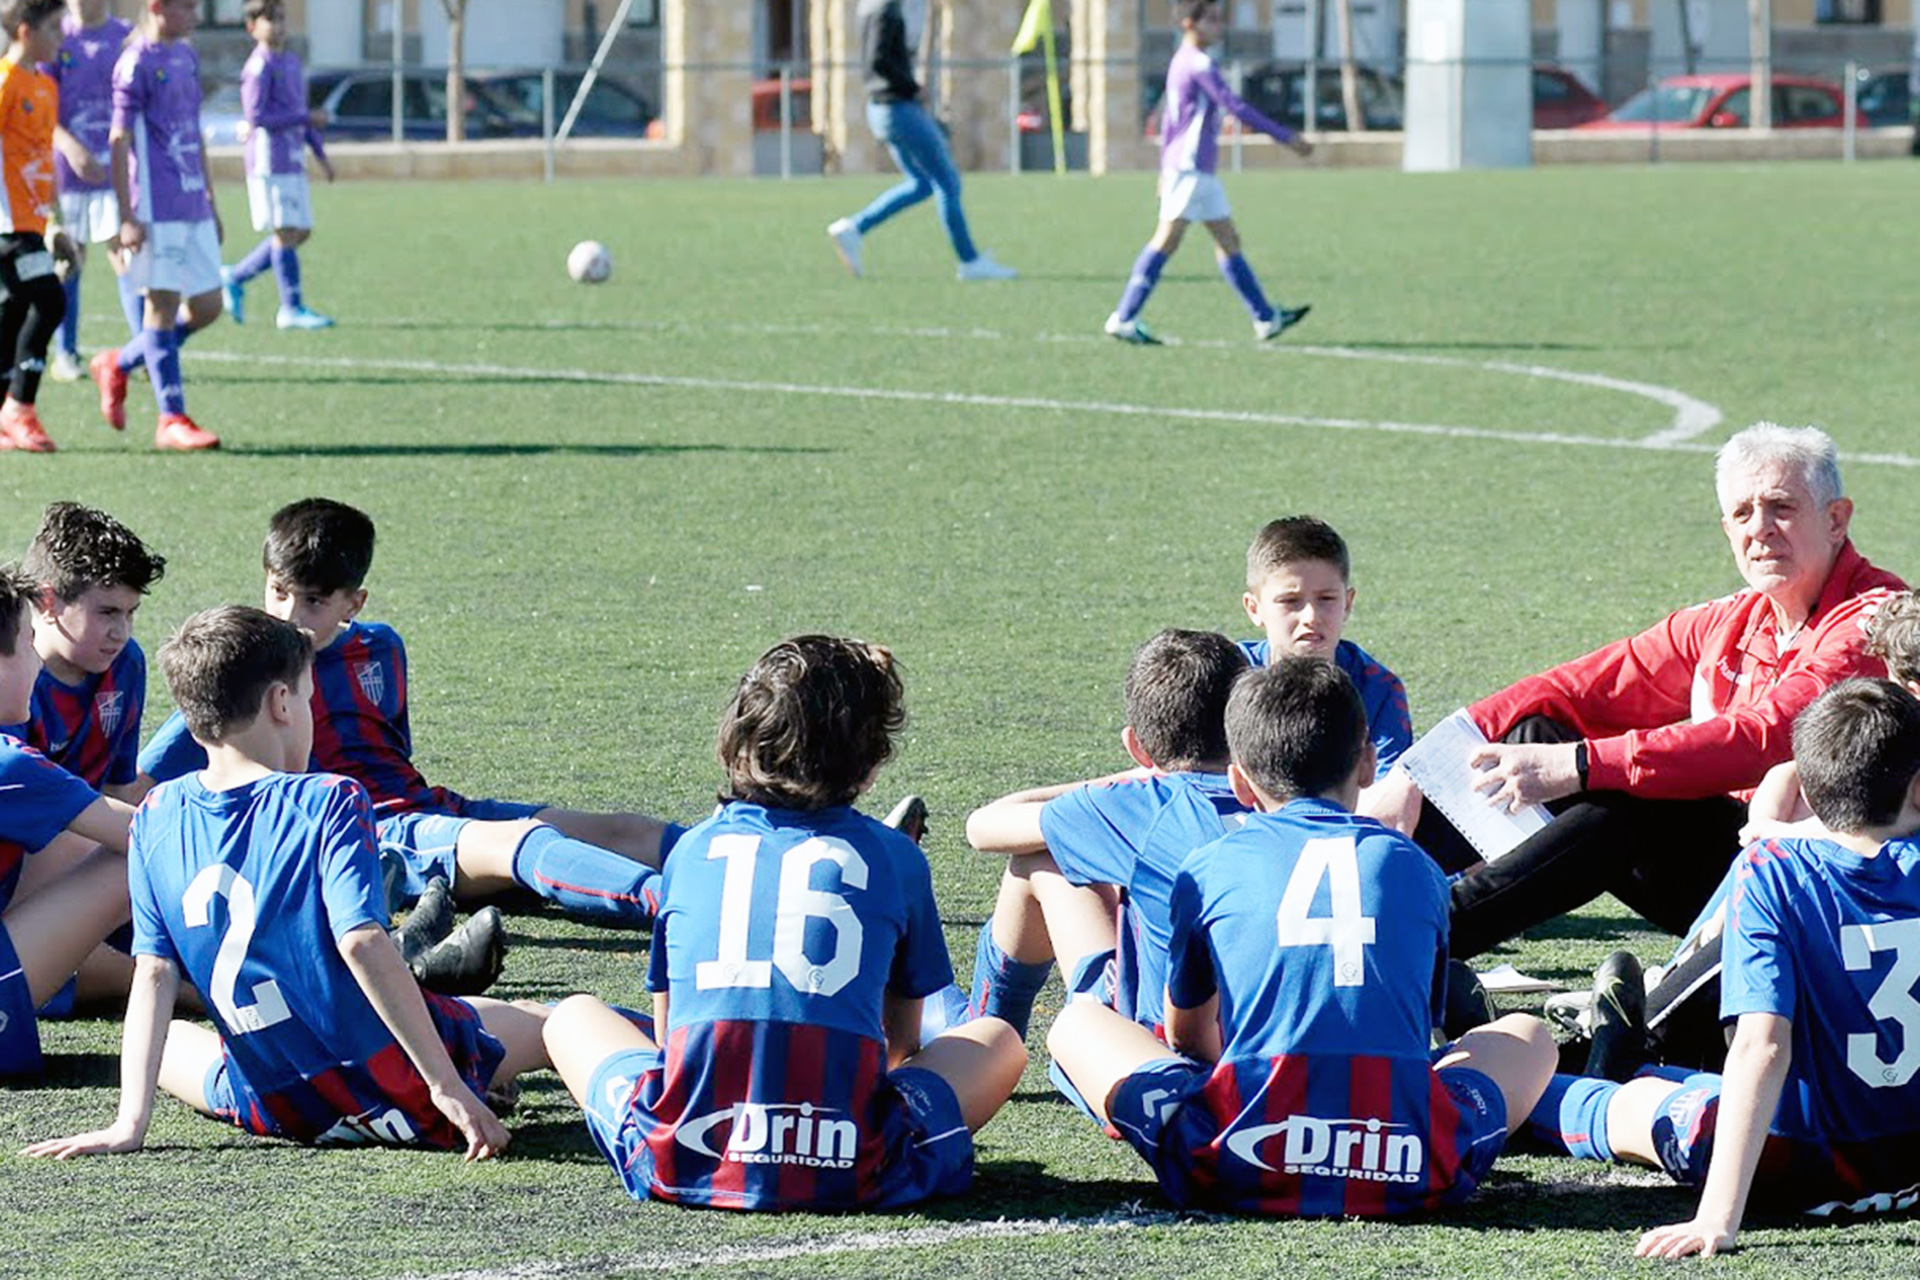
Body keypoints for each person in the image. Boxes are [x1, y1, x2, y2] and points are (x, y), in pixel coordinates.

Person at [20, 606, 549, 1158]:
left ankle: (417, 991)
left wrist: (128, 1125)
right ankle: (631, 1088)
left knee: (174, 1035)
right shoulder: (330, 799)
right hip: (391, 1082)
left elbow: (153, 974)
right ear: (280, 702)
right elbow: (360, 942)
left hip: (275, 1104)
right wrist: (446, 1085)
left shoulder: (155, 814)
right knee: (565, 1021)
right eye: (307, 699)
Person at [1363, 423, 1906, 959]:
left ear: (1836, 519)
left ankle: (1416, 946)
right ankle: (1351, 881)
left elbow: (1762, 737)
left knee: (1632, 805)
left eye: (1781, 507)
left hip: (1823, 885)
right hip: (1744, 861)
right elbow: (1573, 688)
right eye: (1742, 513)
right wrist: (1418, 771)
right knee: (1536, 731)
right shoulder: (1736, 618)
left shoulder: (1874, 619)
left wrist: (1579, 765)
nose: (1759, 529)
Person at [1048, 657, 1555, 1216]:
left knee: (1079, 1022)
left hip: (1234, 1161)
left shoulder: (1209, 866)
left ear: (1239, 781)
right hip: (1410, 1161)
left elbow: (1187, 1036)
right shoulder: (1417, 867)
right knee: (1530, 1034)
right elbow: (1418, 1035)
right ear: (1367, 764)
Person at [542, 634, 1026, 1210]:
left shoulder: (692, 851)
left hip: (684, 1155)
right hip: (852, 1161)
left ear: (738, 741)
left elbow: (669, 1042)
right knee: (998, 1039)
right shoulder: (897, 860)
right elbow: (896, 1048)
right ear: (871, 765)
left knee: (570, 1016)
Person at [138, 498, 682, 930]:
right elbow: (148, 782)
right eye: (278, 592)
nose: (290, 615)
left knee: (615, 828)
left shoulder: (382, 649)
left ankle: (730, 859)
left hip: (428, 809)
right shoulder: (244, 665)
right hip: (362, 832)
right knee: (527, 844)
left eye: (314, 601)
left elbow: (393, 754)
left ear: (355, 603)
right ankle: (678, 908)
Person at [1525, 679, 1920, 1258]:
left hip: (1803, 1163)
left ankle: (1510, 1075)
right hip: (1910, 1157)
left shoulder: (1775, 868)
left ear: (1809, 786)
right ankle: (1628, 1060)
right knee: (1698, 1084)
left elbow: (1762, 1048)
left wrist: (1716, 1217)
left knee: (1626, 1110)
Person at [954, 629, 1251, 1045]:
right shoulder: (1293, 796)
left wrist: (1126, 781)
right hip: (1291, 1051)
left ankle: (985, 1033)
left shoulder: (1143, 804)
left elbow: (984, 826)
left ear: (1137, 747)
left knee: (1040, 860)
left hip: (1164, 1062)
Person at [1103, 0, 1313, 345]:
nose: (1219, 26)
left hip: (1193, 169)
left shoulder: (1180, 62)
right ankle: (1123, 317)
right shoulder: (1199, 64)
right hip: (1190, 169)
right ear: (1190, 23)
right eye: (1212, 20)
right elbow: (1236, 106)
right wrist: (1286, 137)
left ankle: (1265, 317)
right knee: (1167, 240)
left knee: (1228, 240)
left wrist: (1163, 168)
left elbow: (1171, 121)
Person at [0, 561, 138, 1078]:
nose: (38, 662)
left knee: (65, 841)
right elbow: (149, 836)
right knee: (129, 861)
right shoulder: (10, 763)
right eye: (28, 642)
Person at [87, 0, 221, 451]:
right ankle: (171, 418)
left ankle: (120, 362)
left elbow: (194, 130)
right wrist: (128, 215)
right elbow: (119, 139)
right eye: (188, 6)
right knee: (161, 307)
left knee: (208, 305)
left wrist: (211, 200)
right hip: (155, 206)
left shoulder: (185, 55)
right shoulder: (134, 63)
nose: (196, 16)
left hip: (192, 202)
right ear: (158, 7)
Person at [825, 0, 1016, 282]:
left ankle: (854, 228)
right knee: (947, 182)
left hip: (882, 108)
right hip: (898, 108)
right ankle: (970, 261)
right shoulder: (886, 10)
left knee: (921, 183)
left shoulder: (873, 6)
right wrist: (911, 87)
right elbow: (880, 61)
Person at [1239, 516, 1411, 790]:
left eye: (1326, 599)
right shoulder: (1227, 674)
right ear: (1254, 608)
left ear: (1347, 603)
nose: (1311, 616)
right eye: (1290, 601)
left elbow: (1389, 794)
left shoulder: (1378, 690)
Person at [9, 501, 162, 802]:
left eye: (131, 613)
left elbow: (119, 788)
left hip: (93, 832)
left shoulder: (126, 662)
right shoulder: (12, 681)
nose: (122, 632)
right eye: (107, 612)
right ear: (48, 602)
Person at [220, 0, 333, 331]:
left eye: (281, 18)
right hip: (269, 160)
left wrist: (321, 154)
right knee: (285, 233)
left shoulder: (293, 63)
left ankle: (236, 275)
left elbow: (300, 111)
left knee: (301, 231)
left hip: (293, 158)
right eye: (269, 19)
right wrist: (305, 117)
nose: (278, 25)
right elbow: (256, 117)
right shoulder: (257, 67)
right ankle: (290, 308)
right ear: (252, 27)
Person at [44, 0, 134, 384]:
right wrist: (69, 147)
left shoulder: (126, 36)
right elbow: (43, 107)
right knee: (70, 259)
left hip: (116, 167)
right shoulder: (56, 37)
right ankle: (65, 352)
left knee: (123, 252)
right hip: (69, 171)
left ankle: (140, 349)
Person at [0, 0, 75, 453]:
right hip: (5, 222)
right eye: (53, 29)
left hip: (31, 222)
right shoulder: (5, 82)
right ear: (26, 32)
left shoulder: (45, 85)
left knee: (14, 309)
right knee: (49, 299)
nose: (60, 38)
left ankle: (4, 412)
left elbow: (43, 161)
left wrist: (55, 223)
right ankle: (19, 408)